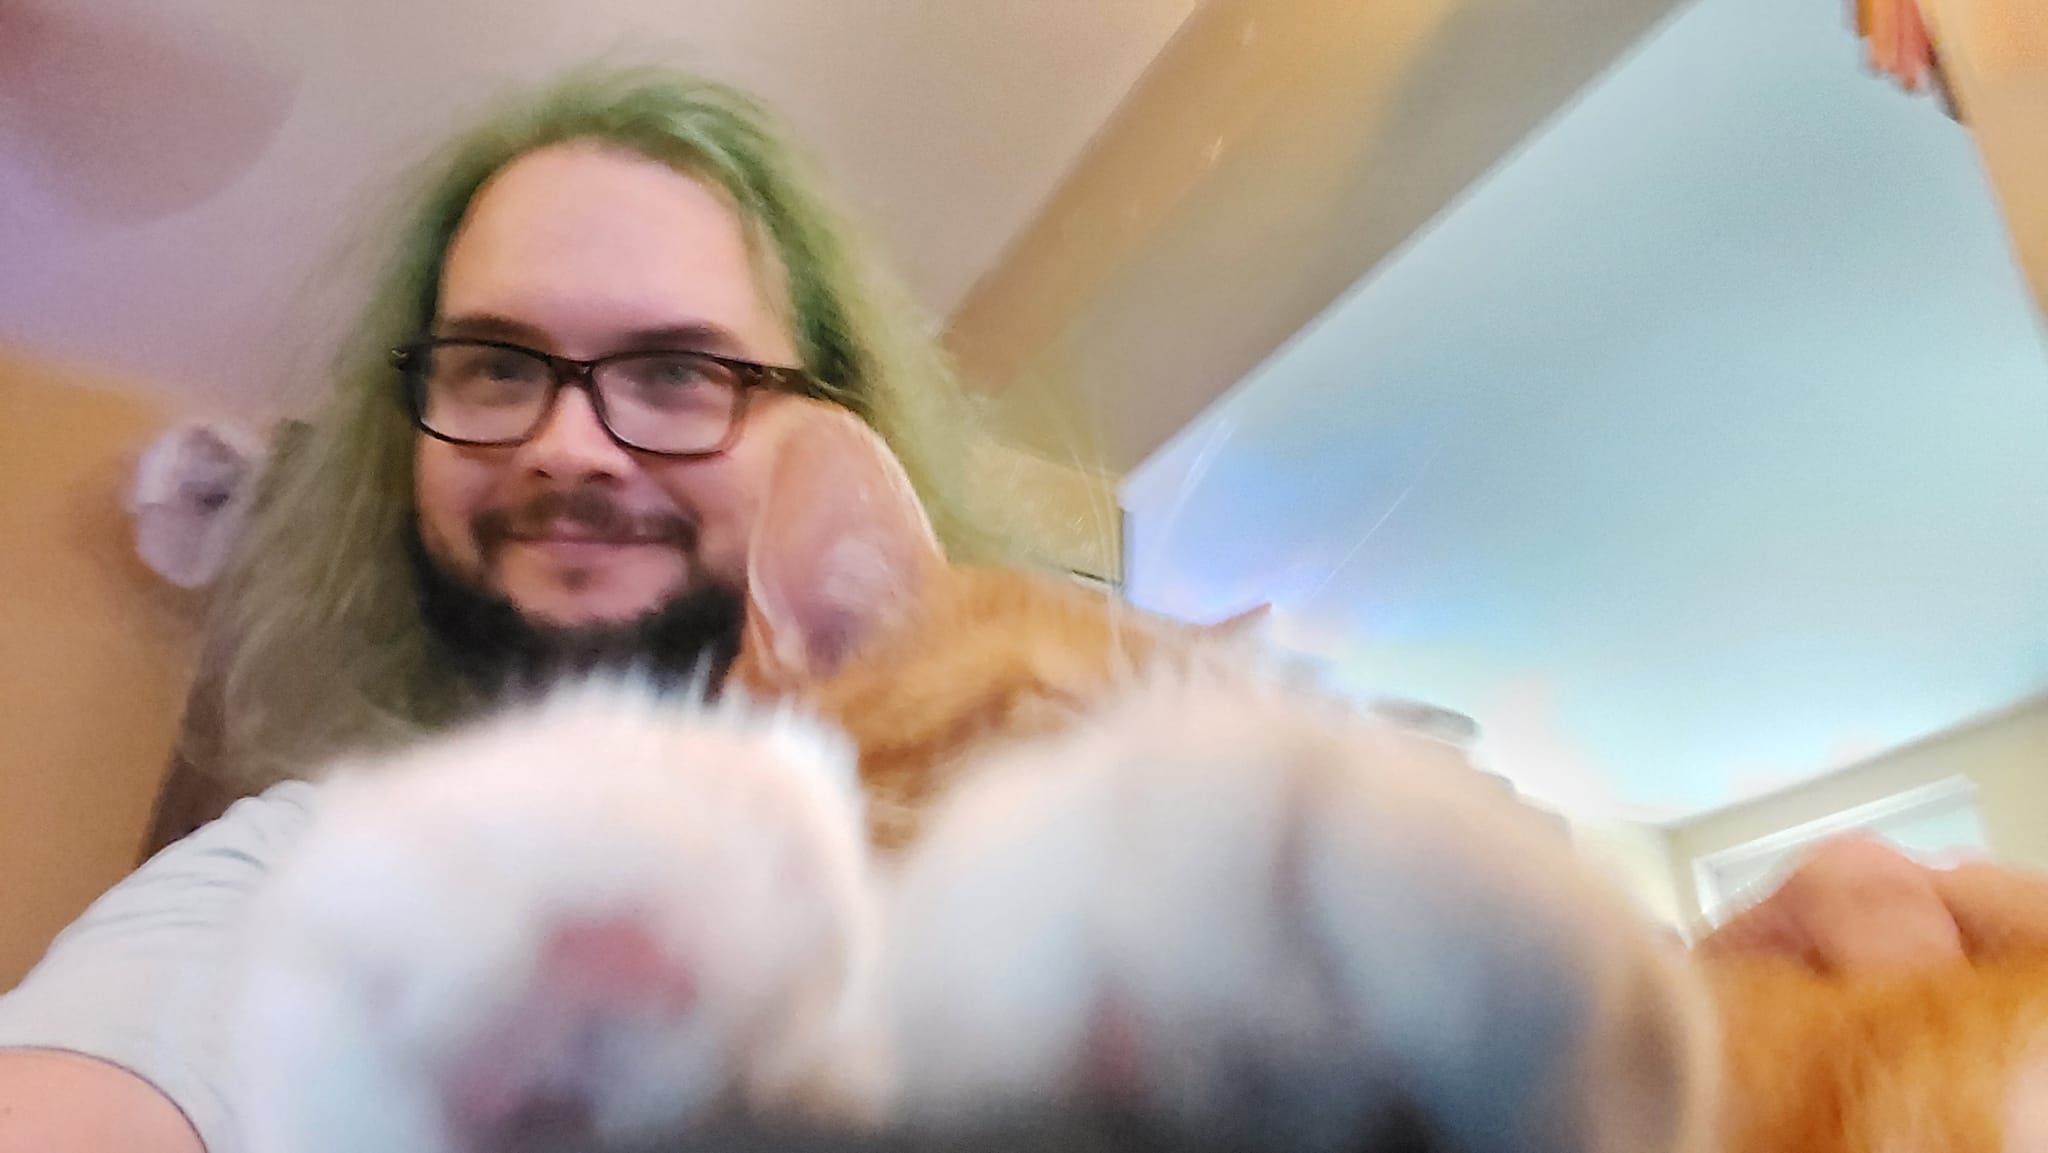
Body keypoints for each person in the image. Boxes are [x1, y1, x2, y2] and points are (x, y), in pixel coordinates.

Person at [0, 66, 1003, 1153]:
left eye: (674, 370)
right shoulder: (295, 872)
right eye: (493, 366)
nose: (565, 447)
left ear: (834, 426)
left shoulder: (1022, 855)